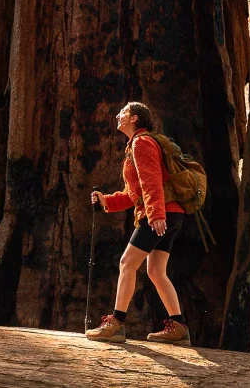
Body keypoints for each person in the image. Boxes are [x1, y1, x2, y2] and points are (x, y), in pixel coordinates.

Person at [86, 101, 189, 346]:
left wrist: (154, 214)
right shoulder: (137, 145)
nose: (117, 116)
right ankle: (179, 327)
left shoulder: (142, 142)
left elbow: (151, 180)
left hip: (160, 214)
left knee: (126, 262)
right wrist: (106, 201)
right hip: (171, 213)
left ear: (134, 118)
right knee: (155, 271)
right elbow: (134, 194)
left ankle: (117, 323)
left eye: (122, 113)